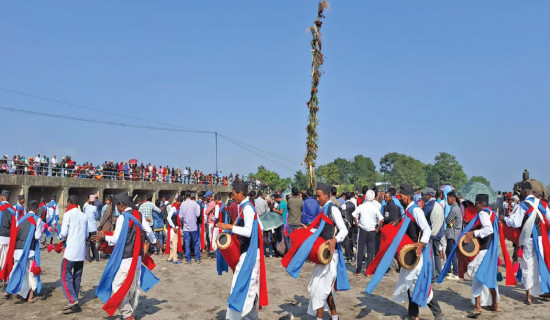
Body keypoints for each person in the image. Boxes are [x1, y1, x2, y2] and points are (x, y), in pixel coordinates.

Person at [366, 184, 444, 320]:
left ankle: (438, 313)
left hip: (416, 254)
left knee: (417, 284)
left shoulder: (416, 211)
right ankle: (413, 314)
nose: (399, 198)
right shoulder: (407, 210)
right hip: (408, 254)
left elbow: (426, 229)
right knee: (410, 284)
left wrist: (422, 243)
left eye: (401, 197)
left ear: (407, 197)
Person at [92, 192, 159, 320]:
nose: (117, 208)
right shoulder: (139, 215)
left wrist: (104, 236)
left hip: (126, 259)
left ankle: (128, 315)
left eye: (118, 205)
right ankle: (128, 312)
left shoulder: (123, 217)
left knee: (117, 287)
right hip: (137, 259)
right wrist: (155, 242)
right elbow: (149, 231)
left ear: (122, 205)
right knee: (130, 289)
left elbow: (116, 239)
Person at [216, 179, 268, 320]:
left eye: (234, 194)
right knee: (244, 289)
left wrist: (230, 227)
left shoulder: (248, 208)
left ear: (240, 193)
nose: (232, 197)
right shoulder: (245, 207)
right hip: (249, 253)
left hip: (250, 255)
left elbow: (248, 231)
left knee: (244, 289)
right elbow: (261, 228)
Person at [442, 194, 500, 318]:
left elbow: (488, 230)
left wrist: (473, 232)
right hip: (490, 250)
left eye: (476, 203)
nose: (475, 206)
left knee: (475, 274)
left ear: (480, 203)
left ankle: (478, 306)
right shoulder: (492, 213)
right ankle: (495, 304)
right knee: (489, 277)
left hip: (484, 250)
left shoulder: (484, 213)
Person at [503, 181, 550, 304]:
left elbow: (516, 223)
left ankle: (528, 295)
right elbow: (548, 217)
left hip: (528, 239)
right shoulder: (540, 203)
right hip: (539, 238)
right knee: (537, 264)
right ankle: (541, 290)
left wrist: (505, 219)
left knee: (527, 265)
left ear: (524, 192)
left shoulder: (523, 205)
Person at [4, 200, 44, 302]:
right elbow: (37, 236)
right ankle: (30, 296)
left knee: (17, 270)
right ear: (36, 210)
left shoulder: (20, 219)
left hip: (17, 250)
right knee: (31, 272)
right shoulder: (37, 220)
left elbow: (15, 235)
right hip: (29, 250)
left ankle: (9, 290)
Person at [58, 195, 88, 314]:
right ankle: (74, 299)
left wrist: (59, 237)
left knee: (65, 276)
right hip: (81, 252)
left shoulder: (68, 214)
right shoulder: (84, 216)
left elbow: (63, 233)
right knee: (77, 277)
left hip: (71, 251)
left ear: (69, 203)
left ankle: (72, 299)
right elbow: (86, 235)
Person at [352, 190, 383, 275]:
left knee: (360, 251)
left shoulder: (362, 206)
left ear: (365, 196)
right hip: (372, 231)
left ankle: (358, 270)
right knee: (370, 252)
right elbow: (381, 219)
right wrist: (378, 229)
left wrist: (357, 223)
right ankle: (368, 271)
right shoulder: (375, 208)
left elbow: (354, 215)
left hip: (362, 230)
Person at [423, 188, 444, 282]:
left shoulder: (428, 206)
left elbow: (423, 219)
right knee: (437, 255)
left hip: (431, 234)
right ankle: (439, 273)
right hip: (438, 234)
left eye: (425, 195)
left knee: (430, 255)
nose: (424, 197)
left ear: (429, 195)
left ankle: (432, 276)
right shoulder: (439, 206)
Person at [0, 190, 17, 282]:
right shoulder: (12, 210)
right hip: (7, 238)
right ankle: (4, 280)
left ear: (2, 197)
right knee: (4, 261)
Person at [444, 191, 462, 280]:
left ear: (452, 199)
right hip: (453, 234)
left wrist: (449, 221)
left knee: (452, 254)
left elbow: (447, 220)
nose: (447, 201)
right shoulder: (455, 208)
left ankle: (455, 273)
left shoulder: (454, 209)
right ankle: (450, 271)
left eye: (448, 199)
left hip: (453, 234)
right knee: (449, 252)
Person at [179, 191, 201, 264]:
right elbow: (198, 214)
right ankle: (197, 258)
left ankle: (188, 259)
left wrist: (184, 220)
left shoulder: (183, 204)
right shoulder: (195, 203)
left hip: (186, 226)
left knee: (187, 242)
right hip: (193, 226)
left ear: (185, 196)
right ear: (191, 196)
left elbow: (180, 216)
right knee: (195, 242)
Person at [165, 196, 183, 264]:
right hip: (174, 228)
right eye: (180, 202)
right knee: (175, 243)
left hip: (175, 227)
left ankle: (170, 257)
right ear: (177, 201)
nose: (180, 204)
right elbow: (168, 218)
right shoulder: (173, 208)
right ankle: (175, 258)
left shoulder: (176, 207)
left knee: (172, 244)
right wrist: (173, 227)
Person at [83, 195, 100, 262]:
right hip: (93, 227)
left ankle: (88, 258)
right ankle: (96, 258)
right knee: (94, 242)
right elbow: (97, 215)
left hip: (87, 228)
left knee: (87, 244)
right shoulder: (94, 208)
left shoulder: (86, 207)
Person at [204, 191, 216, 255]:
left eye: (206, 196)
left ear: (209, 196)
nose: (206, 197)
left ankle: (213, 251)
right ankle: (211, 250)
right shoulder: (211, 202)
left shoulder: (212, 203)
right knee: (210, 237)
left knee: (211, 237)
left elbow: (206, 212)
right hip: (210, 221)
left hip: (211, 222)